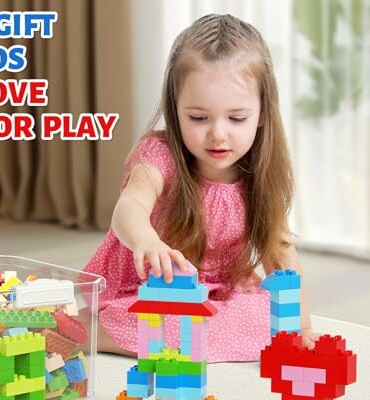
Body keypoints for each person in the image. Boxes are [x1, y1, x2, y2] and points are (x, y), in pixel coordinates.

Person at [83, 13, 318, 362]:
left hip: (219, 291)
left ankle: (188, 339)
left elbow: (279, 253)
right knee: (165, 321)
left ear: (263, 113)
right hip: (151, 291)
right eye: (198, 118)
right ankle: (87, 330)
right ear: (174, 109)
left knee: (269, 320)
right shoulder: (158, 156)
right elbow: (129, 207)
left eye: (237, 118)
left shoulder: (259, 171)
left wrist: (301, 328)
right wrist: (145, 240)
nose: (218, 134)